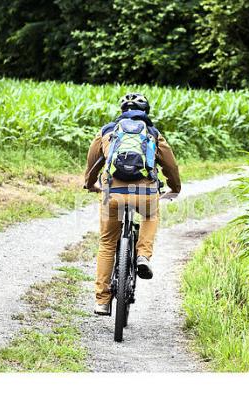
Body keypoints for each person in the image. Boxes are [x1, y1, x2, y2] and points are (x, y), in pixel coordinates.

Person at [84, 93, 181, 315]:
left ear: (122, 111)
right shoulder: (154, 134)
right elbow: (171, 166)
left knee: (108, 243)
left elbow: (92, 163)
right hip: (145, 192)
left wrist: (90, 184)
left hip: (113, 193)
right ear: (145, 112)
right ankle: (143, 255)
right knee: (150, 215)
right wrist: (174, 188)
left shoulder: (108, 132)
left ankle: (102, 301)